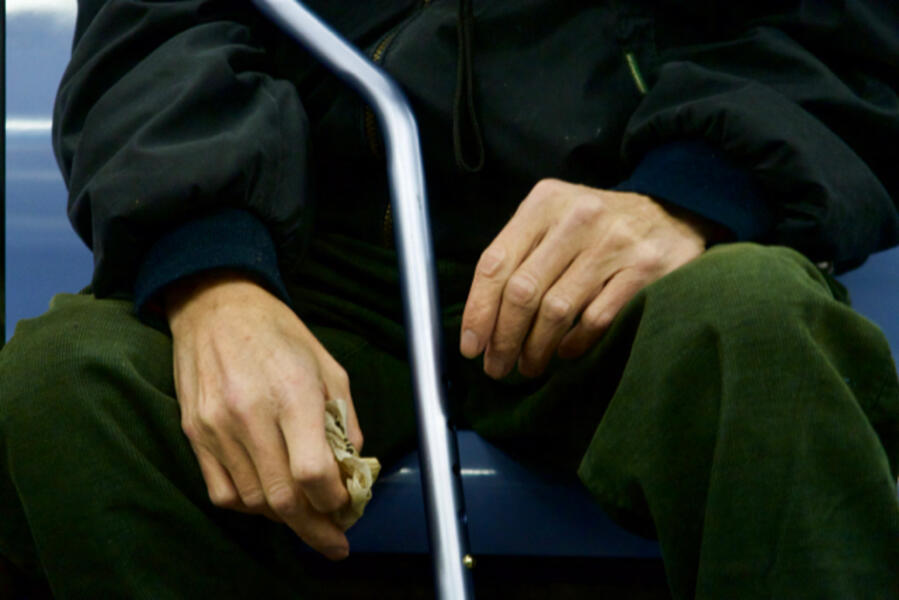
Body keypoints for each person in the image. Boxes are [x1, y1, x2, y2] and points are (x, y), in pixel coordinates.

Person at [1, 0, 898, 597]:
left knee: (758, 327)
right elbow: (155, 30)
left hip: (628, 221)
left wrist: (694, 190)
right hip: (314, 251)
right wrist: (212, 274)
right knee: (72, 385)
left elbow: (838, 32)